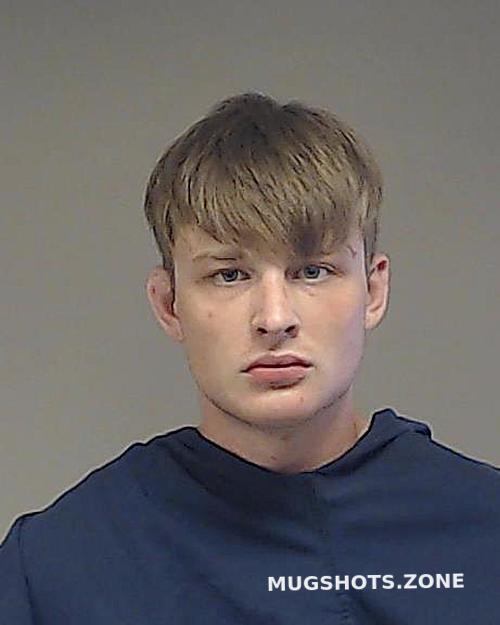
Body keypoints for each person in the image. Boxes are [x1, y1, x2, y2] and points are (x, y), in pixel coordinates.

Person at [1, 91, 498, 624]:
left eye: (312, 271)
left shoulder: (485, 529)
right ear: (169, 304)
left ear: (373, 292)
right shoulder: (60, 564)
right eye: (229, 275)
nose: (275, 318)